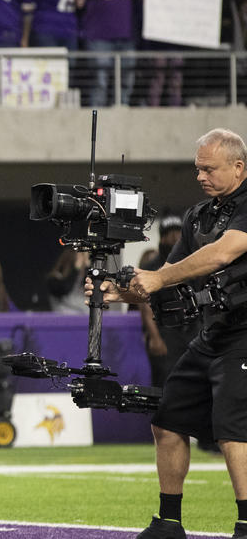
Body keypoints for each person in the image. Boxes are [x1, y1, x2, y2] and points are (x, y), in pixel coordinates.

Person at [89, 129, 247, 539]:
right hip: (212, 334)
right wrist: (115, 292)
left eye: (209, 169)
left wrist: (156, 278)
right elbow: (167, 281)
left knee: (233, 429)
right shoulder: (198, 215)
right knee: (167, 420)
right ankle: (169, 522)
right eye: (197, 169)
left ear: (238, 167)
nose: (200, 176)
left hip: (246, 333)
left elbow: (223, 253)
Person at [140, 215, 187, 388]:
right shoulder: (152, 266)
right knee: (166, 383)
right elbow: (144, 304)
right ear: (162, 237)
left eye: (178, 233)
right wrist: (155, 337)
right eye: (170, 234)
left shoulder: (190, 261)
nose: (175, 238)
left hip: (190, 330)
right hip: (165, 331)